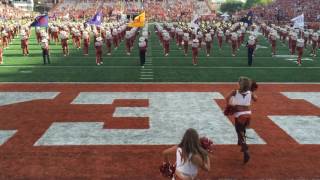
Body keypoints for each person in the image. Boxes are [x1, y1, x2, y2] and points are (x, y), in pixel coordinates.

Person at [225, 77, 258, 164]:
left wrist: (231, 105)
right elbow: (256, 99)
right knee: (242, 129)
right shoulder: (250, 92)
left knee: (238, 130)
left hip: (239, 115)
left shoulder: (234, 92)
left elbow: (226, 98)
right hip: (248, 114)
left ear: (240, 84)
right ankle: (241, 142)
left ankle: (245, 148)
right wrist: (252, 93)